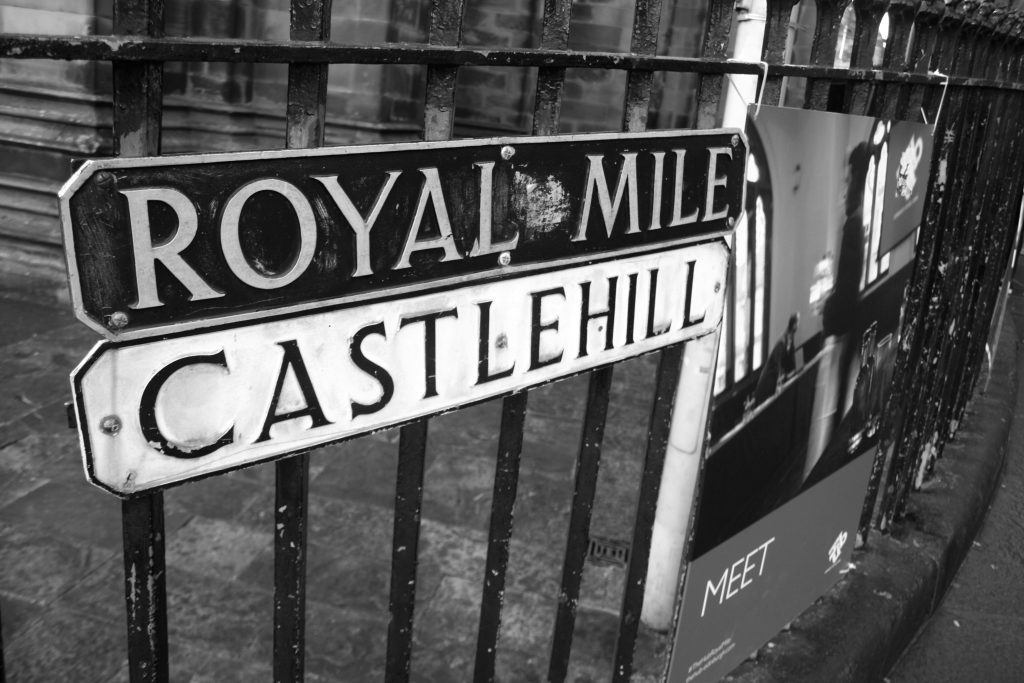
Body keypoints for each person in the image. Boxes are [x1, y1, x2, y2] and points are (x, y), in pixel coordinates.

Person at [754, 312, 799, 405]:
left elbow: (791, 358)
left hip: (774, 381)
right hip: (768, 382)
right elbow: (776, 363)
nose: (798, 325)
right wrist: (781, 379)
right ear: (794, 324)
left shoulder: (790, 338)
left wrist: (794, 371)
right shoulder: (782, 342)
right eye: (798, 323)